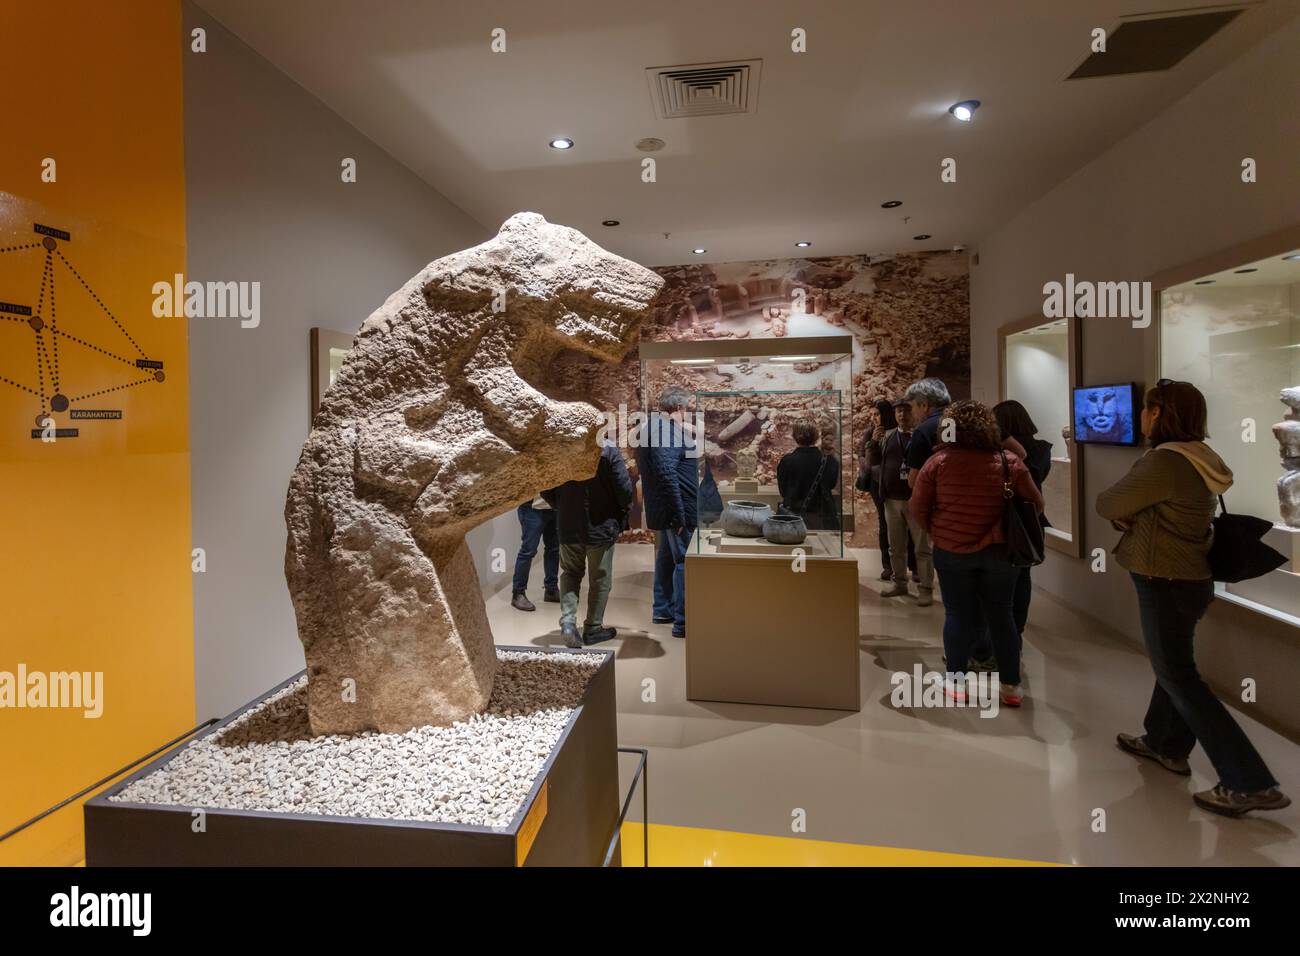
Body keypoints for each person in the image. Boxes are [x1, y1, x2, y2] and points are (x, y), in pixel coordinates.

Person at [1097, 379, 1289, 817]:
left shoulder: (1164, 461)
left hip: (1164, 577)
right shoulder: (1203, 457)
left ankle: (1249, 781)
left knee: (1179, 674)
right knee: (1174, 665)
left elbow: (1107, 504)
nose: (1142, 417)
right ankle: (1164, 743)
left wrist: (1129, 514)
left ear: (1159, 413)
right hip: (1191, 576)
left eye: (1147, 409)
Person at [910, 399, 1042, 707]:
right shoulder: (1008, 460)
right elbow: (1035, 504)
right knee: (1002, 614)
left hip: (952, 550)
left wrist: (938, 530)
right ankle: (1011, 686)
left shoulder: (938, 463)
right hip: (1000, 552)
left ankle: (956, 682)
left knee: (958, 614)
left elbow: (918, 507)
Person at [542, 439, 634, 648]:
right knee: (600, 579)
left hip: (568, 526)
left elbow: (545, 488)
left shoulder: (560, 450)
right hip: (601, 527)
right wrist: (622, 511)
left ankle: (567, 622)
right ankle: (593, 628)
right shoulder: (608, 450)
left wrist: (564, 506)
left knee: (570, 573)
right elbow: (624, 489)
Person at [635, 386, 698, 639]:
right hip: (677, 510)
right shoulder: (662, 429)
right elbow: (665, 472)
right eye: (688, 409)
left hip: (672, 508)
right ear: (680, 408)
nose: (688, 413)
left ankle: (663, 609)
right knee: (684, 561)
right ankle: (682, 622)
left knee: (666, 557)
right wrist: (677, 515)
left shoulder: (658, 427)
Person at [993, 400, 1052, 636]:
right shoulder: (1043, 449)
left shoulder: (1002, 452)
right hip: (1031, 519)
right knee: (1023, 574)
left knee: (999, 579)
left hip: (1005, 517)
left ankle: (1002, 632)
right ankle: (1017, 628)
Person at [901, 377, 951, 605]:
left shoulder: (924, 430)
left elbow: (913, 480)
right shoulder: (969, 424)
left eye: (912, 407)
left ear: (923, 404)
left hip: (941, 507)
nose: (912, 413)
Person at [869, 398, 926, 599]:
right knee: (896, 546)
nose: (902, 415)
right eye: (899, 411)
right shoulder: (888, 436)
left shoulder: (921, 436)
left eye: (906, 411)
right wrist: (873, 443)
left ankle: (925, 589)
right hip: (891, 499)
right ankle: (900, 583)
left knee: (921, 546)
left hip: (915, 499)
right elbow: (873, 461)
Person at [862, 399, 914, 581]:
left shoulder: (904, 432)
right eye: (873, 414)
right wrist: (873, 443)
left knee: (909, 527)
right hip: (879, 485)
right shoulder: (871, 433)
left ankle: (913, 566)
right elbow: (868, 462)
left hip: (903, 484)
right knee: (885, 525)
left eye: (878, 414)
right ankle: (888, 566)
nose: (875, 418)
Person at [777, 419, 840, 530]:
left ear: (794, 436)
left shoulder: (787, 461)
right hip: (820, 518)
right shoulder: (829, 461)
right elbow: (831, 485)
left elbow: (783, 491)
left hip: (793, 518)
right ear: (816, 437)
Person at [510, 494, 559, 612]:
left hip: (554, 507)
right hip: (531, 508)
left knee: (554, 549)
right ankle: (518, 593)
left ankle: (551, 589)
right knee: (528, 551)